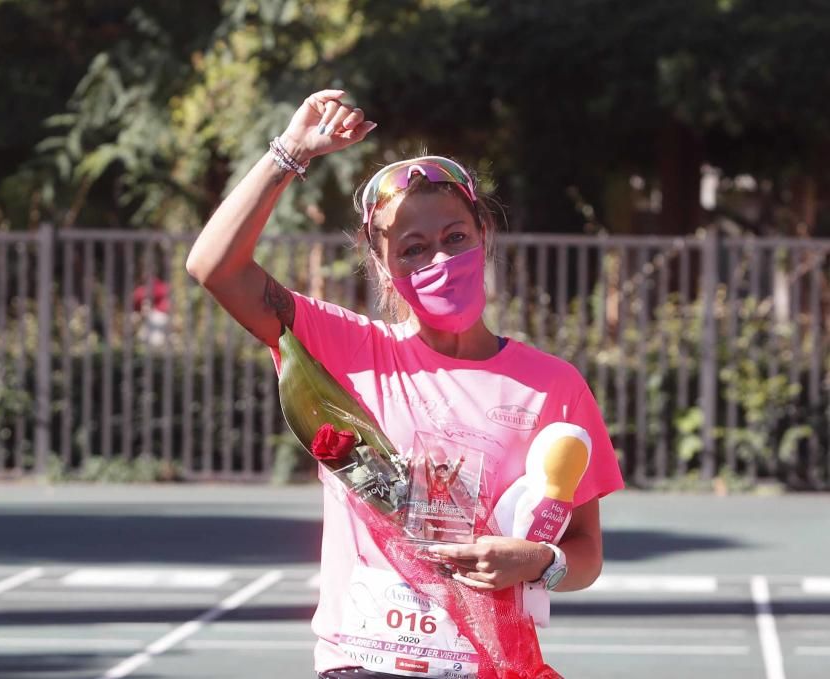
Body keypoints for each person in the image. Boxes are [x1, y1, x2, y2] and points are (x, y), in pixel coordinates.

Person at [186, 89, 624, 679]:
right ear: (382, 265)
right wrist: (291, 151)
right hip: (361, 663)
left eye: (455, 238)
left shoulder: (553, 386)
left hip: (489, 665)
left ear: (483, 237)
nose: (438, 260)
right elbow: (214, 268)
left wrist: (536, 560)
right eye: (412, 249)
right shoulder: (343, 347)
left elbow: (586, 554)